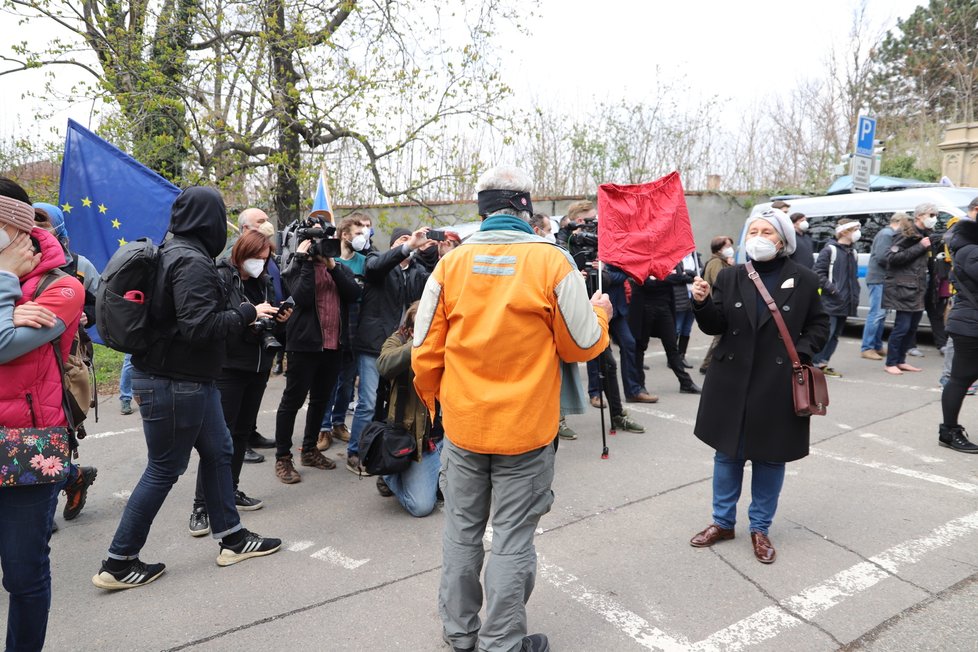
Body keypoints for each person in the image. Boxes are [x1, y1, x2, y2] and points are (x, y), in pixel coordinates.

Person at [413, 165, 611, 652]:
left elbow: (423, 349)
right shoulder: (553, 262)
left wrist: (442, 406)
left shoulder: (450, 264)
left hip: (464, 426)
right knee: (512, 539)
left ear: (482, 208)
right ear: (526, 206)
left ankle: (459, 635)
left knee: (461, 532)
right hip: (526, 428)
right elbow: (581, 344)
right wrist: (601, 312)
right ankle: (502, 643)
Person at [93, 187, 282, 590]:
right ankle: (118, 561)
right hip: (175, 381)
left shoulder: (174, 250)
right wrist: (247, 312)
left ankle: (231, 538)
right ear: (208, 219)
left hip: (189, 379)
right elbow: (199, 328)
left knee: (219, 451)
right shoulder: (190, 261)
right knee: (164, 468)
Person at [688, 209, 828, 564]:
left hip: (776, 380)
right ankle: (722, 522)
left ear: (782, 240)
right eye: (754, 230)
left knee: (770, 457)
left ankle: (760, 528)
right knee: (727, 454)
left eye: (767, 231)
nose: (759, 236)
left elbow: (819, 325)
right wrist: (701, 302)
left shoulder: (805, 279)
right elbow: (714, 324)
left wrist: (801, 352)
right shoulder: (732, 276)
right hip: (731, 379)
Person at [0, 179, 85, 651]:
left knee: (23, 574)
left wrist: (4, 280)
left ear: (15, 229)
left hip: (27, 448)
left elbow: (3, 346)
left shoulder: (62, 286)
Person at [187, 230, 292, 535]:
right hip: (229, 366)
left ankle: (230, 490)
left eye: (265, 259)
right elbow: (215, 322)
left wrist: (279, 319)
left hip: (258, 365)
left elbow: (269, 327)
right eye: (256, 258)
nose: (261, 264)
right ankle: (201, 505)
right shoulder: (222, 276)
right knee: (219, 439)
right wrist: (249, 314)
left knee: (242, 433)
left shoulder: (265, 281)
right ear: (241, 254)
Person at [272, 212, 361, 483]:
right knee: (292, 401)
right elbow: (302, 297)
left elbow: (354, 294)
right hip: (304, 344)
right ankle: (283, 457)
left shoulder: (338, 268)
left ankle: (309, 449)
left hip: (334, 345)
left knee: (321, 400)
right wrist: (306, 261)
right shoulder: (295, 265)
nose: (320, 246)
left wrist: (332, 266)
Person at [347, 226, 433, 475]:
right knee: (368, 402)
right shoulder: (376, 262)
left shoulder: (418, 272)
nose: (412, 242)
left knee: (398, 401)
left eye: (414, 239)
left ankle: (393, 451)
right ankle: (357, 452)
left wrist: (432, 251)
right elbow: (375, 267)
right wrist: (407, 246)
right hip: (375, 345)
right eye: (404, 240)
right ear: (393, 244)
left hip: (406, 348)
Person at [374, 301, 444, 515]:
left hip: (444, 436)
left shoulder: (446, 342)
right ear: (411, 330)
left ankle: (435, 478)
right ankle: (389, 472)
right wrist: (418, 345)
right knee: (421, 506)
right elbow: (383, 365)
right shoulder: (398, 341)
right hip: (413, 440)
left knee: (460, 493)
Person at [318, 215, 370, 451]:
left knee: (347, 380)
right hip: (331, 322)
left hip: (356, 324)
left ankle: (339, 422)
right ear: (344, 235)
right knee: (327, 380)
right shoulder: (329, 259)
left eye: (367, 230)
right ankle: (324, 427)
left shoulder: (365, 261)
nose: (365, 236)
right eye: (359, 232)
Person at [938, 197, 978, 453]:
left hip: (969, 321)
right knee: (960, 378)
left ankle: (948, 430)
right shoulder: (969, 250)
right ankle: (949, 431)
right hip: (970, 324)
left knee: (962, 378)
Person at [882, 206, 937, 375]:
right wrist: (920, 246)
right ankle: (891, 362)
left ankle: (901, 360)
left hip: (918, 288)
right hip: (904, 288)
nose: (934, 218)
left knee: (912, 328)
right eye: (931, 215)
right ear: (920, 216)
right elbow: (892, 258)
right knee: (902, 327)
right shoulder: (905, 234)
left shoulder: (925, 234)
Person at [811, 219, 861, 377]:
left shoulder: (853, 252)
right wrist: (833, 290)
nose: (858, 232)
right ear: (844, 232)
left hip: (845, 301)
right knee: (827, 333)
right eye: (855, 229)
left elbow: (853, 278)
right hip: (831, 301)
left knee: (836, 335)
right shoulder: (829, 250)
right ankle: (813, 365)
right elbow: (818, 273)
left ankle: (823, 363)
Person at [860, 213, 902, 361]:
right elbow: (882, 257)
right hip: (879, 278)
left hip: (883, 279)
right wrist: (899, 261)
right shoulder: (886, 234)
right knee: (876, 314)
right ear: (899, 222)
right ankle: (867, 347)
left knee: (881, 314)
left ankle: (876, 345)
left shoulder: (889, 234)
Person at [699, 236, 734, 375]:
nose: (730, 249)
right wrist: (731, 267)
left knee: (720, 336)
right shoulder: (716, 263)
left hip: (722, 302)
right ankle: (707, 365)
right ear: (718, 248)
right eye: (727, 246)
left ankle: (707, 364)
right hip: (718, 303)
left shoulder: (722, 261)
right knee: (719, 336)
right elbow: (720, 280)